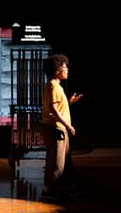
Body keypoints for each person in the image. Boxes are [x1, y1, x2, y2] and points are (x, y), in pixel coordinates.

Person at [40, 54, 83, 199]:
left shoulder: (55, 86)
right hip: (56, 128)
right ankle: (49, 191)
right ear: (57, 69)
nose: (67, 69)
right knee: (57, 162)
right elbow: (54, 110)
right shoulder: (54, 86)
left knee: (64, 161)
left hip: (57, 127)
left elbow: (58, 107)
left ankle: (66, 188)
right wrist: (68, 126)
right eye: (64, 67)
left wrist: (69, 102)